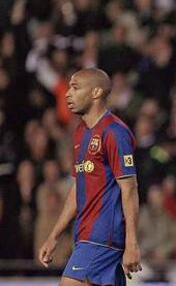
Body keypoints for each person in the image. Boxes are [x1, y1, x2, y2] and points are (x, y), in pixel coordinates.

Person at [38, 68, 142, 286]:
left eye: (75, 87)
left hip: (103, 235)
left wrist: (132, 243)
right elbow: (79, 188)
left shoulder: (115, 132)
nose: (67, 94)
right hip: (85, 233)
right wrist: (54, 235)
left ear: (96, 92)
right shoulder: (81, 132)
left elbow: (129, 189)